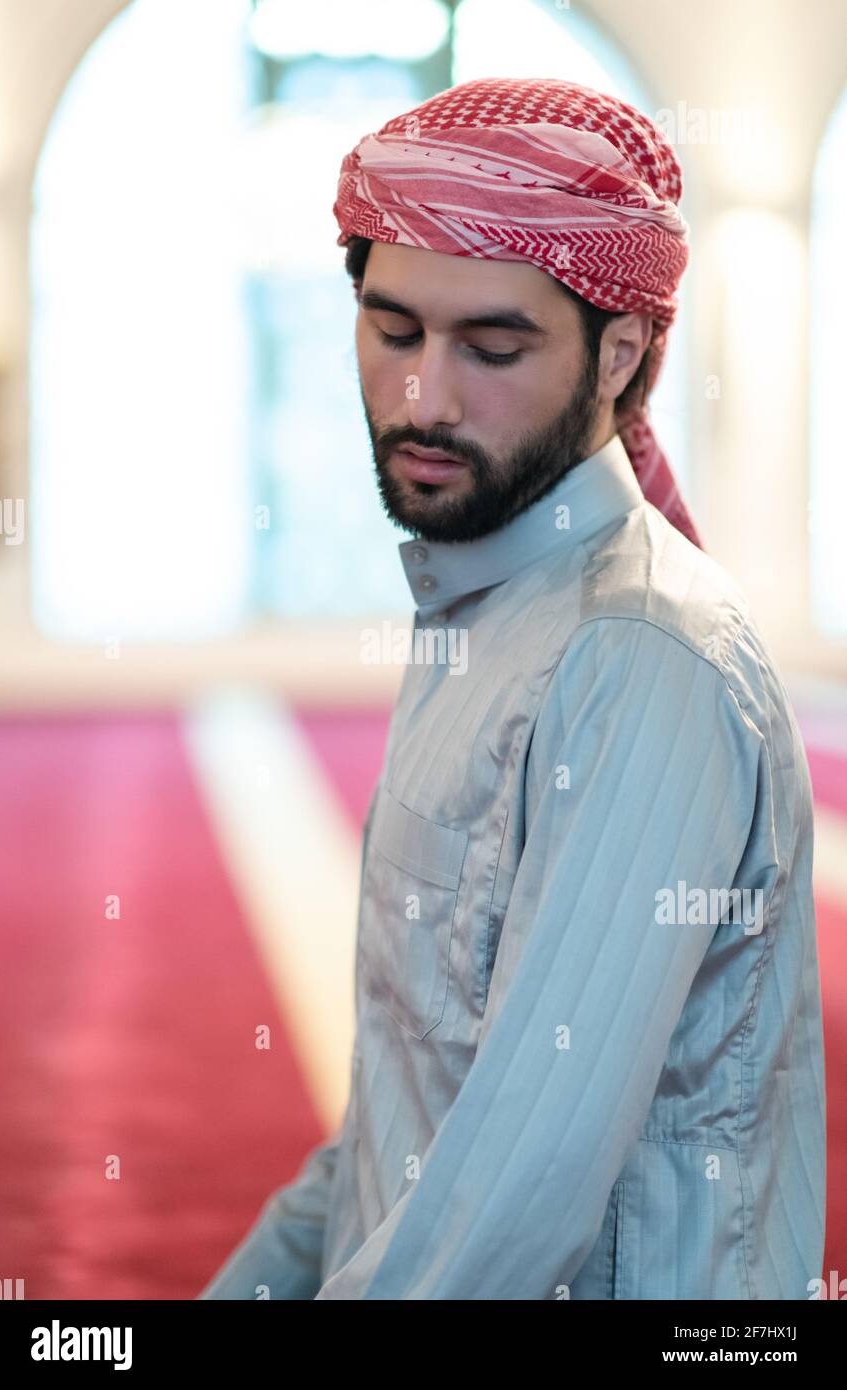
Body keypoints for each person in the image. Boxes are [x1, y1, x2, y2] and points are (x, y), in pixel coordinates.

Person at [198, 76, 826, 1300]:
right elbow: (406, 1116)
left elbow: (508, 1205)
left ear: (617, 356)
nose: (423, 399)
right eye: (392, 333)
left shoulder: (633, 658)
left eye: (491, 348)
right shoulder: (488, 603)